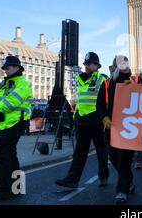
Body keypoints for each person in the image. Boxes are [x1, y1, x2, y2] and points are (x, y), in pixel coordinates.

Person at [55, 52, 109, 190]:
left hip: (97, 120)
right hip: (81, 120)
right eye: (85, 64)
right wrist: (75, 116)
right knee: (79, 152)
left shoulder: (103, 79)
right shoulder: (79, 79)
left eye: (89, 64)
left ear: (96, 65)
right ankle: (72, 180)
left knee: (101, 151)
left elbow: (107, 99)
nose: (86, 66)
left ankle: (104, 176)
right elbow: (80, 99)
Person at [0, 56, 33, 201]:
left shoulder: (23, 84)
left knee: (0, 155)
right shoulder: (5, 84)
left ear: (17, 68)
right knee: (11, 155)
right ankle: (17, 187)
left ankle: (3, 190)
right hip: (4, 124)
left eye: (9, 68)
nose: (6, 70)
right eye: (5, 68)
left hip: (15, 123)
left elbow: (11, 102)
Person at [103, 55, 136, 204]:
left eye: (126, 63)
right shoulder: (107, 84)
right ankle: (128, 180)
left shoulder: (133, 81)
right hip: (111, 127)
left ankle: (122, 191)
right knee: (114, 157)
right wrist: (103, 117)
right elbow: (99, 104)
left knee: (124, 160)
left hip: (129, 127)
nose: (124, 65)